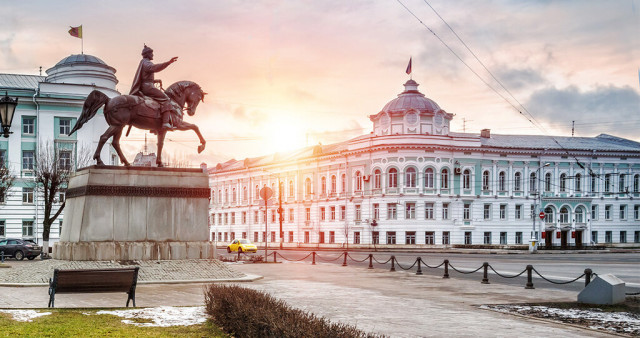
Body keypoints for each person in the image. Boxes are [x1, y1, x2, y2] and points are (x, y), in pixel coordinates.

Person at [130, 44, 178, 129]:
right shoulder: (146, 62)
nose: (153, 55)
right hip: (148, 88)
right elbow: (154, 68)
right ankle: (165, 123)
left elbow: (145, 77)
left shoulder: (143, 62)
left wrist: (155, 81)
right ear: (147, 54)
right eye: (151, 53)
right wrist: (168, 63)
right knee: (166, 99)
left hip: (146, 85)